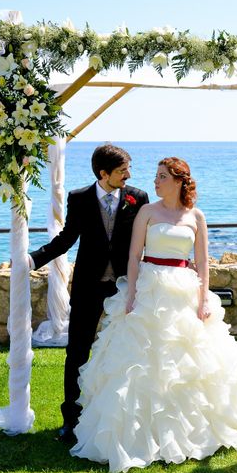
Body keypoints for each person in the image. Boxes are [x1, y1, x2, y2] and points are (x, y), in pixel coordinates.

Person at [70, 157, 237, 472]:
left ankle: (190, 431)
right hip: (150, 286)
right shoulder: (147, 213)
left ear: (178, 181)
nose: (155, 181)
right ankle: (136, 433)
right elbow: (135, 256)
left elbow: (203, 262)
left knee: (187, 361)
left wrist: (204, 299)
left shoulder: (196, 216)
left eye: (161, 176)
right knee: (140, 360)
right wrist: (132, 294)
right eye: (155, 176)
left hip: (183, 289)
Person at [29, 144, 149, 442]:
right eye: (122, 171)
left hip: (124, 286)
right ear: (103, 173)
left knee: (127, 351)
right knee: (77, 352)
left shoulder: (139, 197)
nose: (128, 175)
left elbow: (146, 237)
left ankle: (123, 417)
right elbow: (67, 237)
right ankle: (71, 419)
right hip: (87, 287)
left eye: (128, 170)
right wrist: (33, 260)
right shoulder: (79, 198)